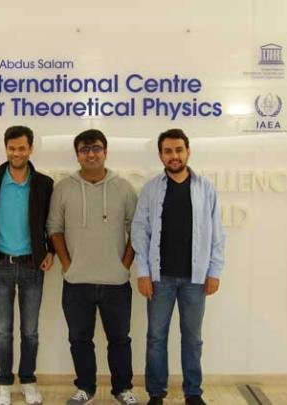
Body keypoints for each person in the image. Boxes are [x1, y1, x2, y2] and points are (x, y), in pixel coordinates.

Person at [131, 129, 226, 405]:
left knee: (193, 339)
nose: (174, 156)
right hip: (160, 278)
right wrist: (143, 272)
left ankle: (193, 393)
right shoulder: (151, 189)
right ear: (161, 155)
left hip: (195, 279)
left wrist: (215, 272)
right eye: (168, 151)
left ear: (188, 151)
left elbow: (218, 233)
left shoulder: (205, 187)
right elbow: (140, 231)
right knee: (156, 338)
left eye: (179, 150)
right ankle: (156, 393)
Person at [47, 129, 140, 405]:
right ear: (77, 154)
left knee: (120, 340)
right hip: (77, 282)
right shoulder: (63, 188)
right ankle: (85, 388)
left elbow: (137, 229)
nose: (91, 154)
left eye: (96, 148)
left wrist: (124, 265)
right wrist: (67, 264)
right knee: (79, 340)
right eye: (85, 149)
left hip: (116, 282)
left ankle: (122, 389)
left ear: (105, 151)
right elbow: (55, 228)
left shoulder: (123, 188)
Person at [0, 125, 54, 405]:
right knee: (3, 331)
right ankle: (4, 382)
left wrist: (51, 250)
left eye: (22, 148)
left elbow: (54, 224)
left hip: (32, 266)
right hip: (0, 265)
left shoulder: (43, 184)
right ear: (6, 148)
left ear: (31, 149)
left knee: (30, 331)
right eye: (12, 148)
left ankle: (28, 379)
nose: (17, 153)